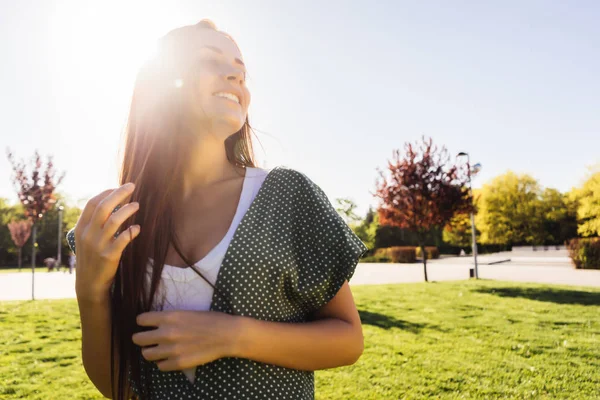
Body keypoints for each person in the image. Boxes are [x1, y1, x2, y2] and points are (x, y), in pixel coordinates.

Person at [66, 19, 368, 400]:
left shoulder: (288, 196)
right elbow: (117, 388)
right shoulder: (116, 219)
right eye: (211, 61)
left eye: (241, 73)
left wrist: (230, 335)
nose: (235, 78)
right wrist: (90, 292)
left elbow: (348, 339)